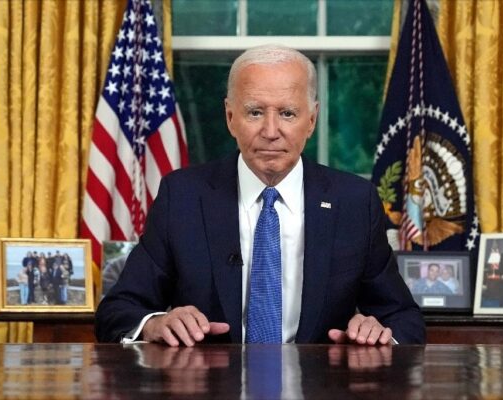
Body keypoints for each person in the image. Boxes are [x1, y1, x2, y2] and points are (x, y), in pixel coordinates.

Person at [95, 44, 425, 346]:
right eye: (254, 112)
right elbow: (119, 310)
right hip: (208, 387)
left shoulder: (355, 201)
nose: (270, 131)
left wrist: (380, 334)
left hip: (321, 387)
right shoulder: (182, 197)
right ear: (230, 117)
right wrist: (155, 324)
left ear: (311, 120)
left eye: (287, 114)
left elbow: (403, 319)